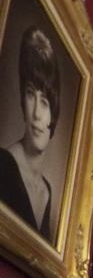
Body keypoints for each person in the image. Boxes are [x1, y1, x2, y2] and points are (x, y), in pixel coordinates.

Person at [0, 26, 61, 243]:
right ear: (22, 100)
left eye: (44, 102)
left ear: (53, 112)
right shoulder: (3, 164)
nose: (36, 113)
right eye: (30, 94)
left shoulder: (47, 191)